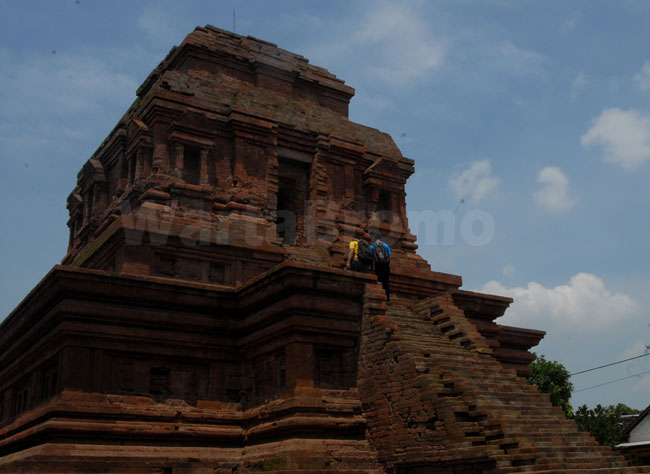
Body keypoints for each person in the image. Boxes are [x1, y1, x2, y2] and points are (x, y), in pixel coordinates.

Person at [371, 237, 391, 302]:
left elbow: (371, 258)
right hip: (386, 266)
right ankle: (387, 299)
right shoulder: (386, 245)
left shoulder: (372, 246)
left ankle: (378, 297)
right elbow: (389, 256)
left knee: (377, 281)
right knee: (386, 283)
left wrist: (372, 268)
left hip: (377, 265)